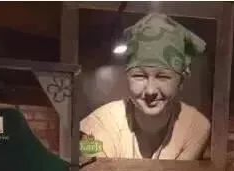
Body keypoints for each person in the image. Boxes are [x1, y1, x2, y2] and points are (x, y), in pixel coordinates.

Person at [80, 13, 211, 160]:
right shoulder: (97, 125)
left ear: (180, 82)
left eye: (163, 77)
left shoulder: (196, 126)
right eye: (139, 76)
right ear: (127, 78)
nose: (150, 90)